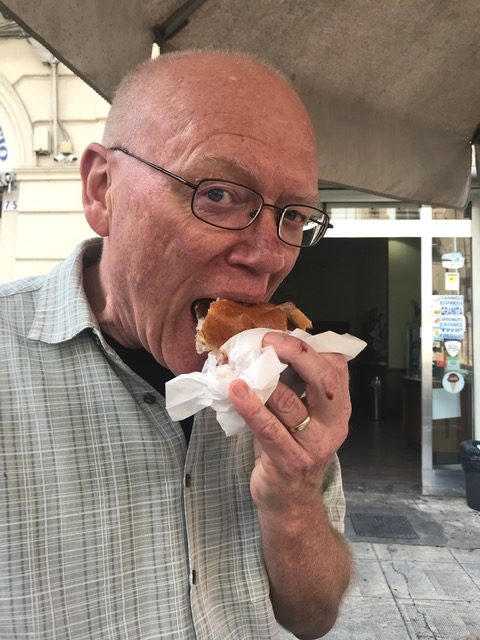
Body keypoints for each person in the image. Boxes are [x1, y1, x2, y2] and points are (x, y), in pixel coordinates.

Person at [0, 50, 352, 639]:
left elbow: (313, 618)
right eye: (217, 194)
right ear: (101, 189)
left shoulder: (284, 382)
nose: (268, 257)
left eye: (293, 216)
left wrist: (293, 505)